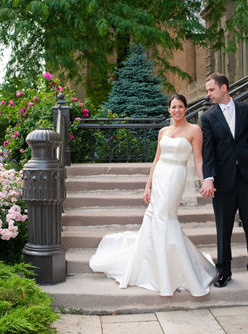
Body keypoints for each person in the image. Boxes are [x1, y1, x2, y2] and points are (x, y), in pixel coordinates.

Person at [89, 94, 217, 296]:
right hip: (160, 175)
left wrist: (205, 181)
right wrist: (147, 186)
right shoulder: (163, 131)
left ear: (186, 109)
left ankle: (177, 270)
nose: (177, 110)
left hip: (176, 174)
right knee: (156, 218)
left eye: (181, 107)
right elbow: (156, 160)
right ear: (169, 110)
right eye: (173, 107)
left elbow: (199, 160)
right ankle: (157, 268)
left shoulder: (194, 130)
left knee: (166, 217)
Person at [199, 72, 248, 290]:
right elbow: (208, 150)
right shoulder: (207, 117)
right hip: (223, 180)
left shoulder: (247, 111)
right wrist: (209, 178)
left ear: (224, 88)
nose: (208, 94)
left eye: (211, 90)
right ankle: (224, 272)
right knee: (223, 228)